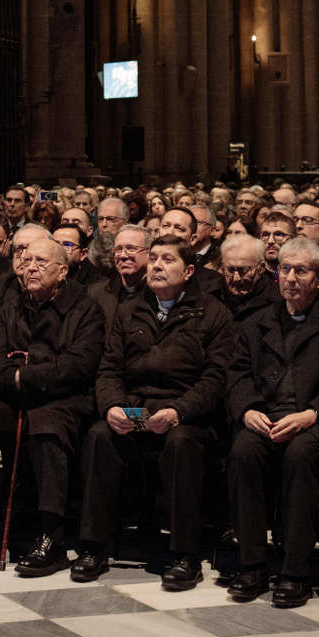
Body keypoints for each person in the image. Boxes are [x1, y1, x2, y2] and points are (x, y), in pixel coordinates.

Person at [76, 235, 236, 591]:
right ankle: (93, 547)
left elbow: (217, 379)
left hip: (188, 417)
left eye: (168, 259)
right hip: (137, 411)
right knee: (99, 435)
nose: (157, 265)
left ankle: (184, 555)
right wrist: (113, 406)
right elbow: (109, 368)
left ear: (189, 270)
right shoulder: (129, 310)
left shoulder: (213, 313)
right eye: (155, 259)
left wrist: (180, 410)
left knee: (180, 445)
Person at [0, 237, 104, 575]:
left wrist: (25, 374)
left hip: (63, 400)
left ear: (63, 270)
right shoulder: (13, 305)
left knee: (46, 427)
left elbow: (77, 366)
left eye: (41, 262)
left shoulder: (85, 307)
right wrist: (18, 377)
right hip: (13, 399)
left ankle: (51, 536)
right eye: (26, 261)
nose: (31, 268)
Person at [224, 237, 319, 608]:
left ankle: (295, 572)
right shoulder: (257, 322)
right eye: (284, 269)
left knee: (301, 455)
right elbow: (236, 375)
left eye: (301, 270)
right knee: (243, 450)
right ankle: (252, 564)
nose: (290, 277)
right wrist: (247, 409)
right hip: (265, 418)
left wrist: (311, 414)